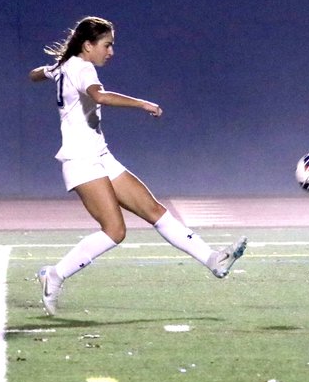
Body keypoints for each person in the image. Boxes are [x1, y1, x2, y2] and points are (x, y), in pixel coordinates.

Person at [28, 16, 246, 315]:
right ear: (88, 45)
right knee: (115, 231)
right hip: (80, 160)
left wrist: (44, 72)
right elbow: (100, 95)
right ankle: (55, 274)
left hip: (100, 156)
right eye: (107, 45)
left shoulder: (64, 66)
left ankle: (213, 260)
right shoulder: (82, 67)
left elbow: (35, 74)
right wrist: (142, 103)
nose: (111, 51)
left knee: (155, 211)